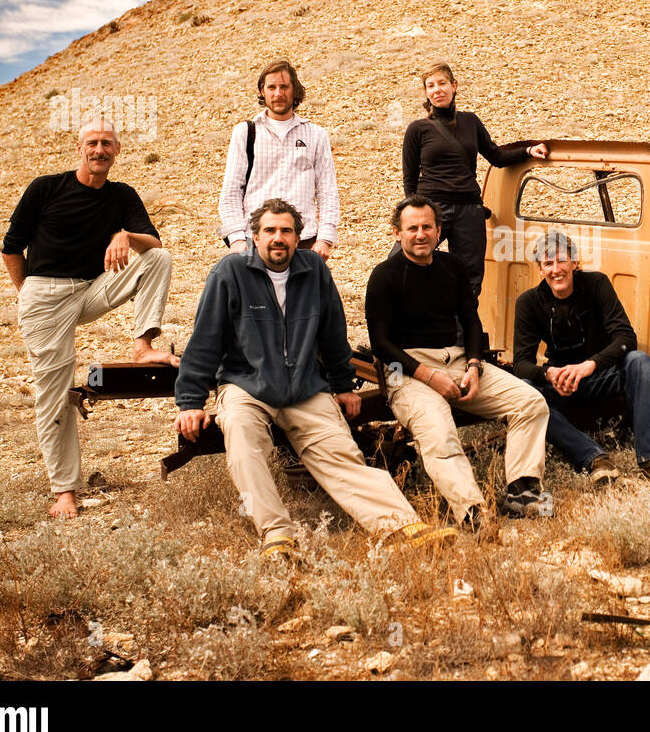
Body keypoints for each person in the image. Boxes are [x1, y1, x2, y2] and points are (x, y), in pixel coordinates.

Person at [174, 199, 452, 558]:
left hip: (305, 386)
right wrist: (190, 402)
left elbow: (333, 331)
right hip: (247, 387)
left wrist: (341, 385)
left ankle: (400, 525)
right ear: (254, 237)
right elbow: (205, 340)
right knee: (244, 444)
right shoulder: (229, 274)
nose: (278, 238)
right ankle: (277, 535)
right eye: (270, 231)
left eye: (286, 231)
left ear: (298, 238)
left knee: (341, 452)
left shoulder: (314, 270)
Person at [2, 117, 177, 519]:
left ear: (117, 151)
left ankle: (142, 347)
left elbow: (154, 244)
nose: (99, 150)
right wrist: (28, 293)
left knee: (157, 259)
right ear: (79, 149)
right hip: (45, 295)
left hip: (92, 288)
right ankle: (64, 490)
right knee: (55, 392)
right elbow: (12, 249)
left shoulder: (121, 195)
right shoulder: (46, 188)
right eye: (92, 143)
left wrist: (126, 236)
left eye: (107, 144)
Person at [366, 196, 552, 527]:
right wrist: (428, 376)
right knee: (438, 430)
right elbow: (381, 343)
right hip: (406, 369)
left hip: (457, 360)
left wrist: (475, 366)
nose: (420, 234)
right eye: (412, 228)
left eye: (427, 227)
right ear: (397, 233)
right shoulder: (385, 276)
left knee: (530, 403)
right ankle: (472, 512)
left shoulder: (452, 267)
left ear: (439, 231)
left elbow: (471, 322)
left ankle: (523, 491)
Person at [513, 230, 650, 480]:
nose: (556, 269)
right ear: (540, 269)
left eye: (561, 260)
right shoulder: (528, 302)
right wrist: (549, 374)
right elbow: (521, 363)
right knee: (523, 389)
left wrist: (589, 366)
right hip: (562, 384)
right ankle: (593, 458)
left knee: (639, 361)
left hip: (598, 376)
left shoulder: (596, 284)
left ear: (574, 262)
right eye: (548, 263)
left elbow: (626, 338)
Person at [400, 62, 548, 297]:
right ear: (426, 92)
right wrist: (414, 213)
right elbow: (409, 180)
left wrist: (527, 151)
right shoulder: (417, 129)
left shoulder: (471, 122)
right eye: (430, 86)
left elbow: (496, 156)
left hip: (469, 209)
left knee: (469, 279)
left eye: (442, 83)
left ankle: (461, 334)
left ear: (454, 86)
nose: (437, 89)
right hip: (432, 205)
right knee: (402, 262)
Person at [218, 59, 339, 262]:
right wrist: (237, 239)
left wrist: (325, 238)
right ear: (262, 91)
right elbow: (231, 190)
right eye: (272, 87)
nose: (278, 93)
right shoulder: (246, 132)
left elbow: (328, 191)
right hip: (255, 241)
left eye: (284, 87)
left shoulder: (316, 135)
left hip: (304, 242)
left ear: (295, 90)